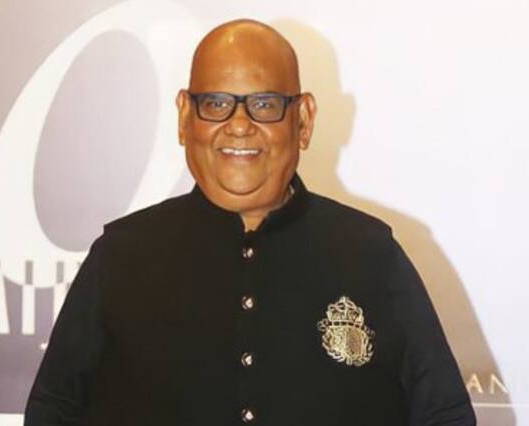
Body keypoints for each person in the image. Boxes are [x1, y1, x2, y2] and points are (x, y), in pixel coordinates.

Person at [25, 19, 476, 425]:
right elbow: (54, 410)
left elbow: (444, 414)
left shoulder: (371, 256)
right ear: (184, 117)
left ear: (303, 120)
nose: (239, 125)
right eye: (216, 102)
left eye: (264, 103)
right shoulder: (121, 257)